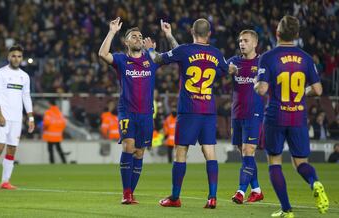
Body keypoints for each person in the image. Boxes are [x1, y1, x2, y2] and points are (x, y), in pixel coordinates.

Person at [146, 18, 237, 209]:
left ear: (191, 31)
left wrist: (149, 49)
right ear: (209, 34)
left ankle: (175, 197)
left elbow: (157, 59)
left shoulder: (185, 50)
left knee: (181, 152)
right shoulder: (216, 53)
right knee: (209, 152)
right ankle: (212, 197)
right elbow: (226, 70)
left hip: (189, 110)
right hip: (208, 110)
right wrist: (169, 36)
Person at [254, 15, 329, 217]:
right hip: (298, 117)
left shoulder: (268, 57)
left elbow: (261, 90)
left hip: (276, 116)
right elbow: (319, 90)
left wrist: (255, 82)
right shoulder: (306, 58)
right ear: (296, 35)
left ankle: (287, 210)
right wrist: (305, 92)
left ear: (277, 33)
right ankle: (315, 182)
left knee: (275, 162)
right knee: (301, 162)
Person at [98, 17, 178, 204]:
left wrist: (168, 34)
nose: (138, 39)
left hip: (146, 114)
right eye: (133, 36)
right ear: (126, 42)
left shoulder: (152, 58)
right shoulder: (121, 59)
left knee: (140, 152)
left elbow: (175, 55)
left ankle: (131, 193)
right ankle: (126, 193)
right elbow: (102, 54)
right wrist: (111, 32)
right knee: (129, 146)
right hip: (127, 111)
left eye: (140, 37)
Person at [0, 44, 35, 190]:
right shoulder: (0, 73)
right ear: (8, 57)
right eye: (14, 56)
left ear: (22, 58)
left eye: (19, 56)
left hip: (17, 118)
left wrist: (30, 117)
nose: (16, 58)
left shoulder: (24, 76)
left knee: (12, 149)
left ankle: (5, 181)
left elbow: (26, 97)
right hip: (3, 116)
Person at [228, 30, 264, 204]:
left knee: (248, 151)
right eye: (240, 40)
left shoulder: (262, 62)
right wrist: (227, 70)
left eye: (246, 41)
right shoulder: (234, 61)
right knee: (242, 152)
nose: (242, 43)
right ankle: (256, 190)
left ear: (255, 43)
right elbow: (221, 70)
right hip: (237, 113)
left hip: (254, 113)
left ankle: (241, 191)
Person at [42, 98, 67, 164]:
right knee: (59, 149)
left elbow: (46, 123)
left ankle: (52, 162)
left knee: (50, 150)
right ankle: (64, 161)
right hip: (58, 134)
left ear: (49, 104)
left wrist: (44, 129)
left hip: (50, 134)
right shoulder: (59, 112)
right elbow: (64, 123)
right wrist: (59, 130)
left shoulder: (48, 112)